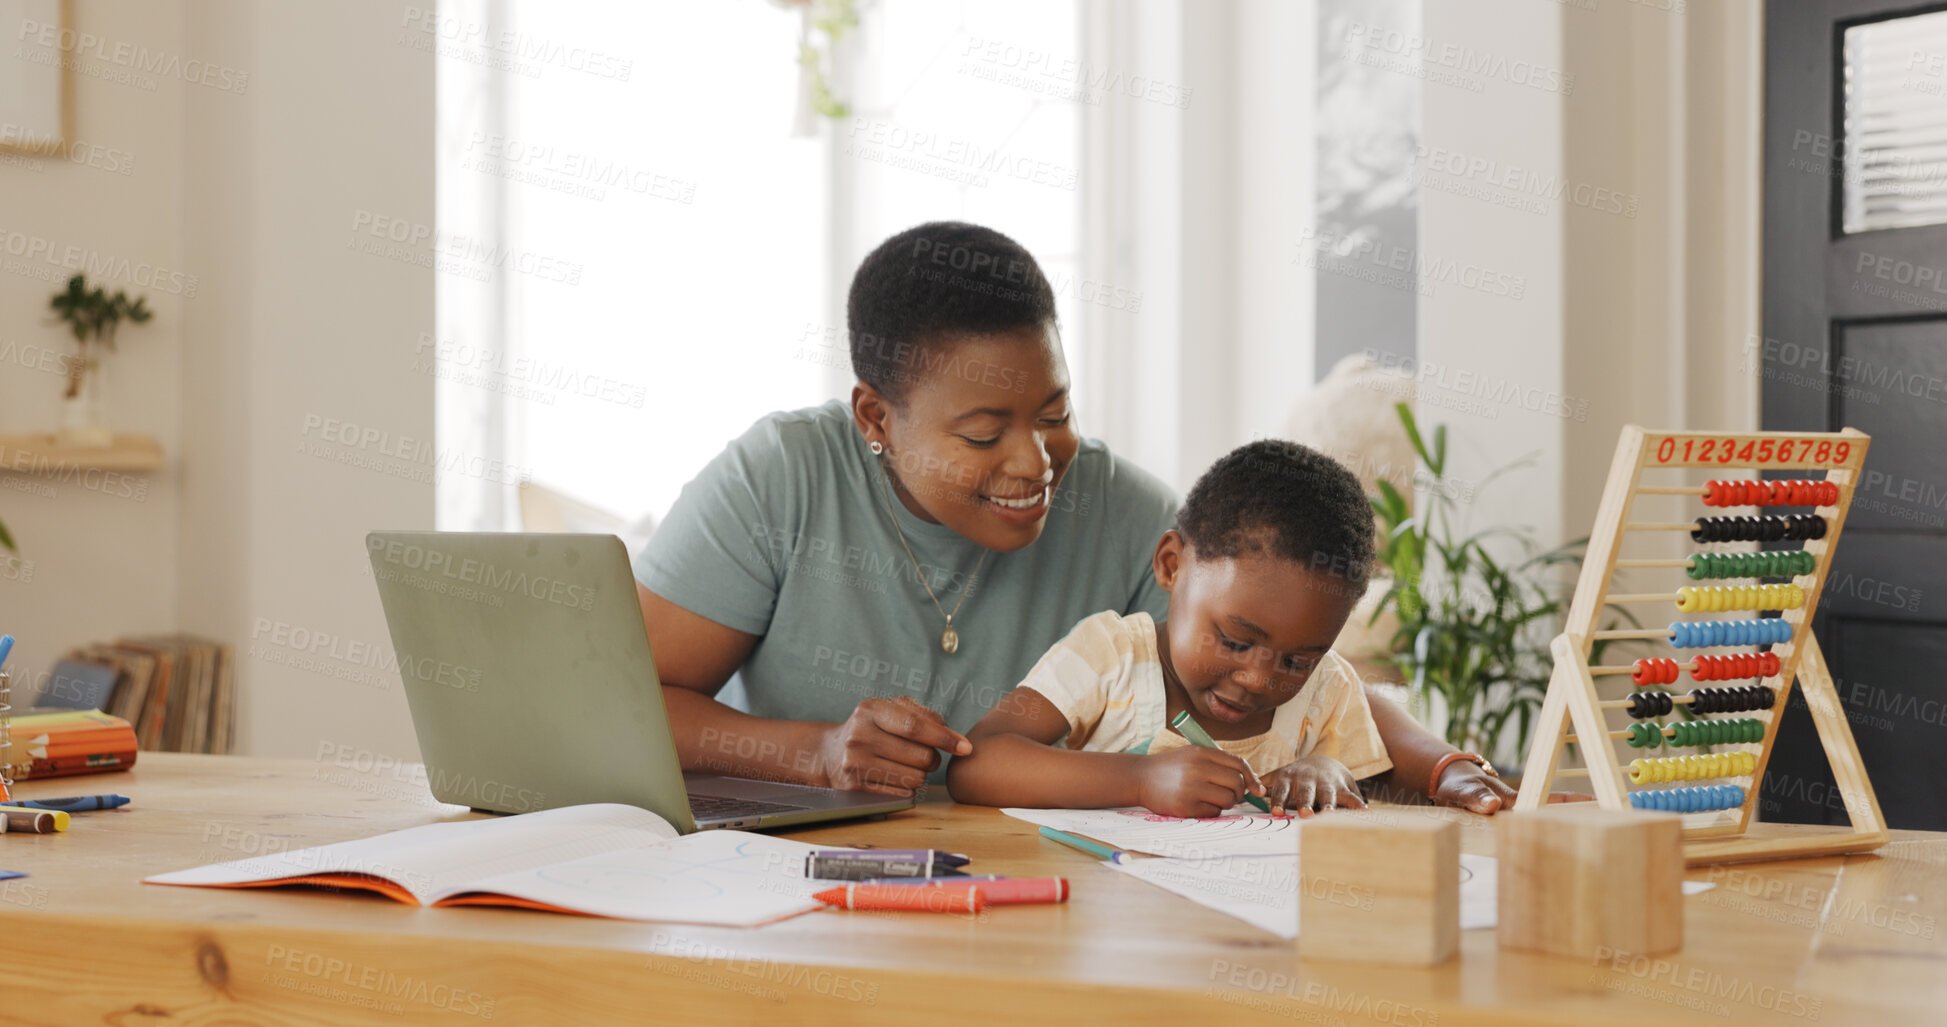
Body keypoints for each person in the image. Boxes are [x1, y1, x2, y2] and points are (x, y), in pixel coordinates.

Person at [633, 221, 1519, 812]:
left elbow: (1304, 668)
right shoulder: (779, 478)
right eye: (984, 433)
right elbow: (630, 705)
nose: (1034, 462)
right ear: (874, 417)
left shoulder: (1126, 512)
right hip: (801, 878)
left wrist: (1453, 765)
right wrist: (815, 752)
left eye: (1054, 413)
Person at [946, 440, 1386, 817]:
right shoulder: (1111, 655)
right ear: (1171, 566)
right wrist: (1140, 779)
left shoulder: (1326, 688)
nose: (1257, 678)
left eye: (1296, 661)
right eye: (1234, 642)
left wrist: (1329, 772)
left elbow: (1369, 793)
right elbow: (978, 764)